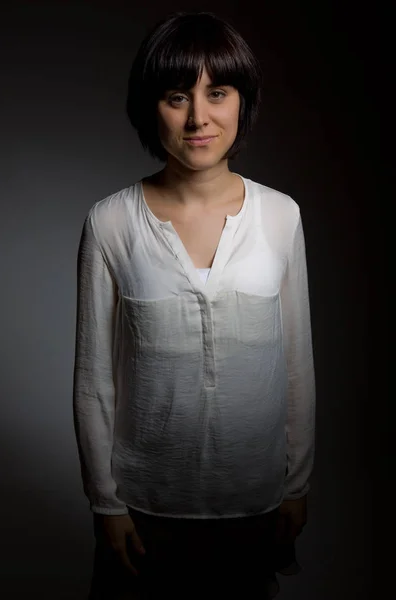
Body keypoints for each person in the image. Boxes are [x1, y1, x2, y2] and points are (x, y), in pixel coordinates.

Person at [72, 10, 316, 600]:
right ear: (151, 106)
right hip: (145, 509)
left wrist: (297, 485)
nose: (199, 117)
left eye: (219, 92)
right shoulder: (110, 222)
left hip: (255, 506)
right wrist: (106, 503)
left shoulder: (281, 215)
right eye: (178, 95)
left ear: (242, 101)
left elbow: (296, 363)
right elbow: (93, 381)